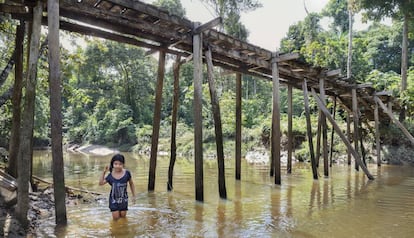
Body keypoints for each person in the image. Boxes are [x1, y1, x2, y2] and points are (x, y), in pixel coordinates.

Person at [99, 153, 136, 220]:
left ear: (123, 164)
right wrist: (104, 172)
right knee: (116, 218)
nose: (117, 166)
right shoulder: (110, 176)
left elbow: (131, 184)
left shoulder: (127, 173)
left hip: (124, 199)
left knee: (123, 217)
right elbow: (101, 183)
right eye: (115, 164)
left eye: (120, 164)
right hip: (113, 200)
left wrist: (134, 196)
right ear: (112, 165)